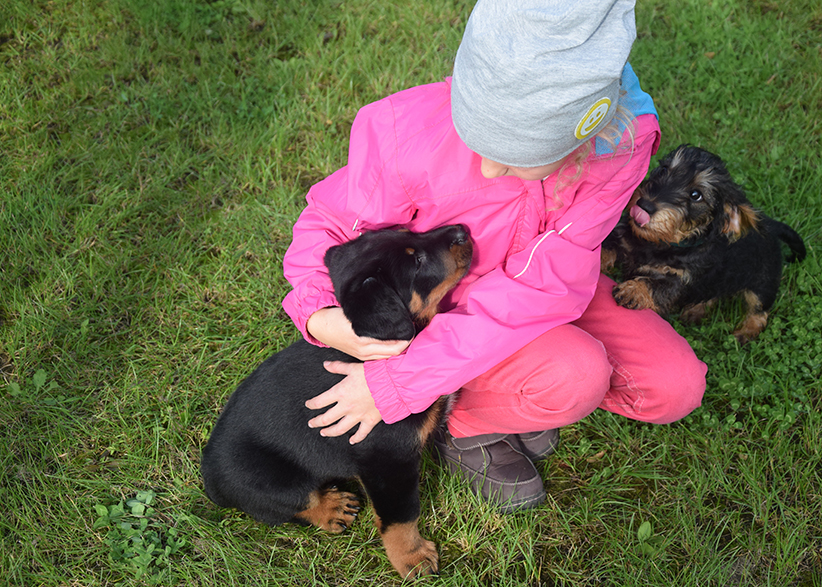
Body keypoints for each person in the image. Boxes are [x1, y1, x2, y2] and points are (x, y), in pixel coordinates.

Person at [281, 0, 707, 512]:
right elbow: (329, 226)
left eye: (512, 157)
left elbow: (544, 284)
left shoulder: (619, 142)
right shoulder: (408, 130)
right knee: (576, 373)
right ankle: (464, 427)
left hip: (545, 287)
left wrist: (399, 383)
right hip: (444, 301)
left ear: (581, 134)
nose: (485, 169)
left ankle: (470, 409)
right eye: (474, 137)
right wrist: (319, 314)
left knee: (673, 385)